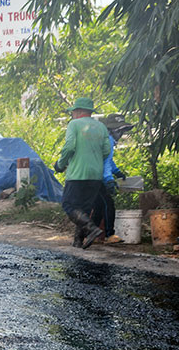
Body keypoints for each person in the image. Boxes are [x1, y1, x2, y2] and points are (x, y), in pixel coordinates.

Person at [53, 98, 110, 249]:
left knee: (68, 204)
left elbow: (69, 147)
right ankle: (78, 241)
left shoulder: (74, 124)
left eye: (73, 112)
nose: (72, 114)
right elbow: (106, 151)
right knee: (84, 208)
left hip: (78, 173)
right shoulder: (101, 127)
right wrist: (94, 159)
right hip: (96, 173)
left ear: (78, 112)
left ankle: (91, 228)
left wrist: (60, 164)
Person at [92, 114, 133, 245]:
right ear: (112, 130)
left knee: (99, 206)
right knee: (108, 205)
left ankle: (91, 234)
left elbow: (108, 160)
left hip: (93, 176)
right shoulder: (108, 140)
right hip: (97, 177)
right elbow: (104, 163)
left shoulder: (105, 139)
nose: (121, 134)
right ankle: (109, 234)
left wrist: (117, 172)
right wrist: (109, 179)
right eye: (119, 131)